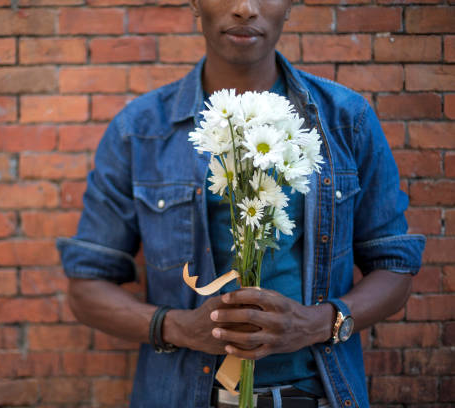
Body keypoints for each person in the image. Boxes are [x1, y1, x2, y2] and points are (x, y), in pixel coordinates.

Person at [56, 0, 426, 406]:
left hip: (319, 394)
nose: (245, 8)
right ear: (196, 4)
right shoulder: (140, 130)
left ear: (288, 6)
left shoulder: (344, 119)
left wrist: (317, 322)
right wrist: (179, 327)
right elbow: (87, 288)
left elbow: (394, 267)